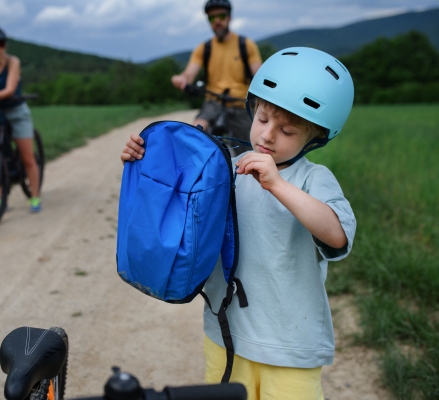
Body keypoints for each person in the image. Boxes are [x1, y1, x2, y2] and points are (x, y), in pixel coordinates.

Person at [121, 47, 356, 400]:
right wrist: (145, 159)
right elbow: (175, 204)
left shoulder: (313, 179)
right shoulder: (227, 169)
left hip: (289, 346)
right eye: (262, 119)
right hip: (226, 335)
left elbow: (337, 236)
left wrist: (277, 184)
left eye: (288, 130)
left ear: (315, 136)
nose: (268, 135)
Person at [171, 0, 262, 156]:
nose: (217, 21)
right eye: (212, 18)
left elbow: (260, 77)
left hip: (241, 103)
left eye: (221, 16)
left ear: (229, 17)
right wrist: (182, 79)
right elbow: (189, 74)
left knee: (249, 150)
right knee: (197, 131)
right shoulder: (204, 48)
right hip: (213, 102)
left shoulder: (245, 45)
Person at [0, 27, 41, 213]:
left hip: (16, 110)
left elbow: (10, 89)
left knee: (28, 158)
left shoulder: (13, 62)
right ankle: (2, 200)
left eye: (1, 44)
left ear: (6, 45)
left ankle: (35, 197)